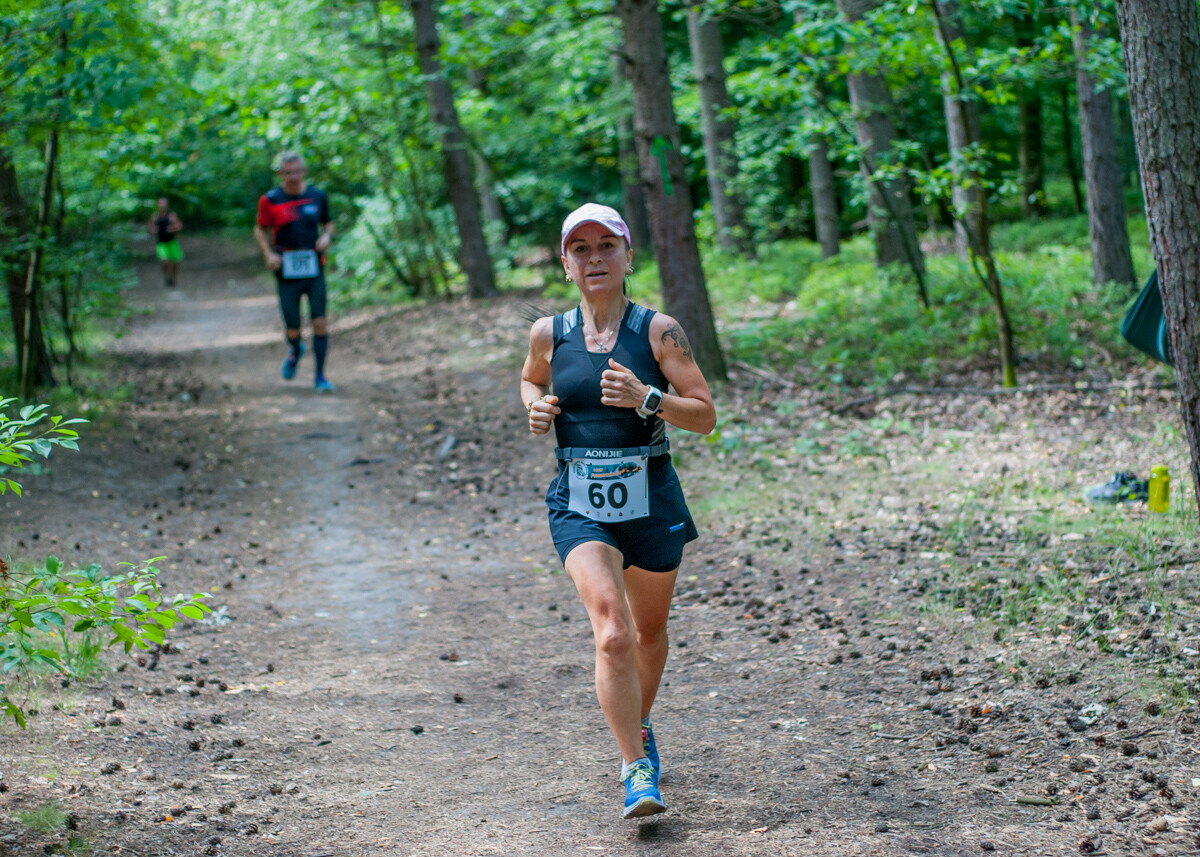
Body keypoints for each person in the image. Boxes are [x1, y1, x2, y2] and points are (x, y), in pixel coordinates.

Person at [520, 203, 716, 819]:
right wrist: (535, 407)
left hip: (651, 495)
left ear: (629, 257)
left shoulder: (658, 332)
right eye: (581, 248)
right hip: (580, 502)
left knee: (649, 635)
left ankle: (640, 725)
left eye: (607, 245)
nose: (595, 257)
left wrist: (649, 397)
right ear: (566, 263)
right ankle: (636, 768)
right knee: (612, 632)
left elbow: (705, 415)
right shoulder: (549, 334)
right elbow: (530, 379)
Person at [253, 152, 335, 392]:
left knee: (320, 322)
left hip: (314, 268)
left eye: (297, 172)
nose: (293, 177)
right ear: (280, 174)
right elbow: (259, 229)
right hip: (286, 272)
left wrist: (327, 237)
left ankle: (320, 376)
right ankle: (296, 347)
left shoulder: (317, 196)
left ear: (304, 171)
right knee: (293, 329)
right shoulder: (270, 200)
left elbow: (328, 222)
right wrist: (269, 255)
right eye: (288, 173)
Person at [147, 198, 183, 287]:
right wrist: (154, 230)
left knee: (175, 262)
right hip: (161, 243)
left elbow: (179, 226)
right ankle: (166, 276)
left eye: (164, 206)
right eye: (161, 206)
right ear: (158, 207)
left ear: (167, 206)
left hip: (172, 242)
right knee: (164, 261)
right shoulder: (155, 216)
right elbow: (150, 226)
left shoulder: (172, 216)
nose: (163, 207)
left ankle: (173, 277)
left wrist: (173, 228)